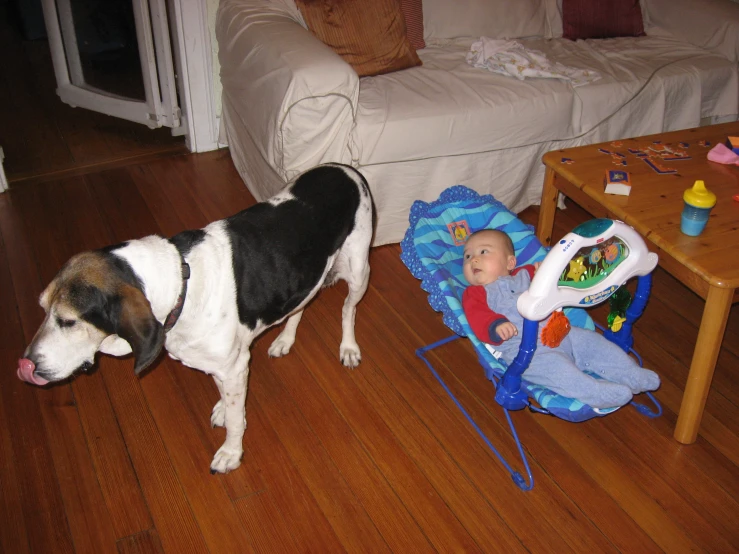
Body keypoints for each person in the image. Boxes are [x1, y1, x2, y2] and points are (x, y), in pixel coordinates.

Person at [461, 229, 660, 409]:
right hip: (526, 353)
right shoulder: (475, 293)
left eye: (483, 252)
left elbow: (556, 276)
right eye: (467, 256)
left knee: (594, 343)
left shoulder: (526, 274)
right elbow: (477, 316)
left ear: (510, 262)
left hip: (563, 333)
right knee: (559, 372)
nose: (473, 260)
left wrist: (545, 272)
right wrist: (496, 325)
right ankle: (596, 392)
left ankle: (630, 373)